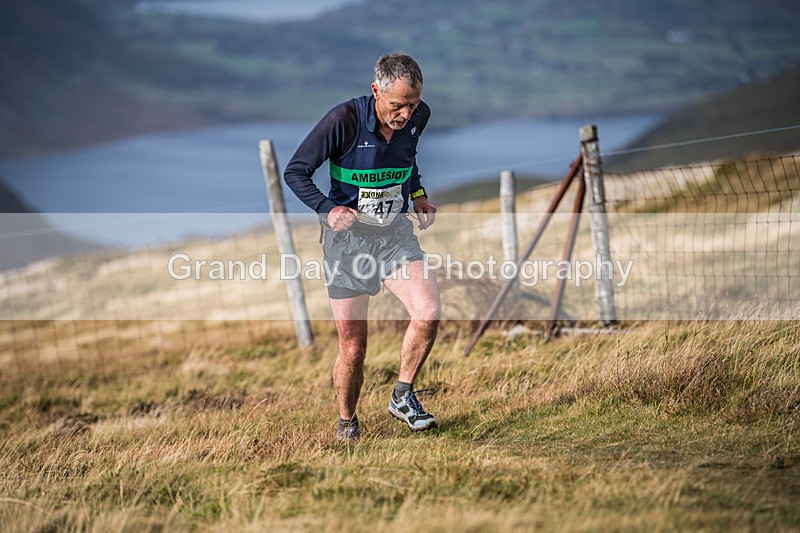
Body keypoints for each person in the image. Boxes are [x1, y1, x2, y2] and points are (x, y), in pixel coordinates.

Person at [284, 53, 440, 442]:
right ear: (376, 91)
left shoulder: (418, 118)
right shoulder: (344, 120)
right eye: (397, 105)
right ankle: (347, 423)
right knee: (353, 349)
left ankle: (402, 395)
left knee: (429, 311)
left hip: (394, 237)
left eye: (413, 104)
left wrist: (417, 194)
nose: (405, 114)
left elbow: (407, 157)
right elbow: (295, 171)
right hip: (348, 246)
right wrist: (327, 209)